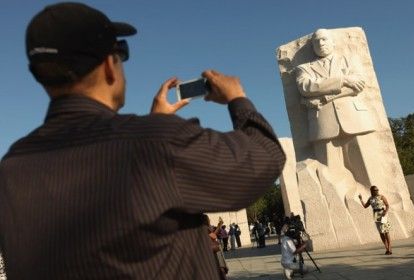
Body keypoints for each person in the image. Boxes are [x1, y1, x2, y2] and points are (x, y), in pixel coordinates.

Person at [0, 3, 285, 279]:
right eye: (121, 53)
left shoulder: (11, 166)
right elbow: (265, 157)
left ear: (40, 75)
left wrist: (156, 125)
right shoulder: (155, 143)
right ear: (109, 66)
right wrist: (238, 98)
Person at [295, 29, 376, 200]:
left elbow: (359, 85)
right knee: (331, 175)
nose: (321, 44)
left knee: (368, 171)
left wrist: (324, 97)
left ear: (333, 42)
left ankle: (378, 206)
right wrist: (344, 80)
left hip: (354, 119)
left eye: (324, 39)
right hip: (323, 125)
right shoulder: (304, 68)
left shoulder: (348, 59)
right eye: (317, 42)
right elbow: (306, 88)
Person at [358, 186, 393, 255]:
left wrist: (385, 212)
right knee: (381, 232)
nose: (377, 191)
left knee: (386, 231)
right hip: (376, 215)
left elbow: (387, 205)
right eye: (375, 190)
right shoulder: (370, 198)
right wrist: (361, 199)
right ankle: (386, 248)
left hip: (383, 214)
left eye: (377, 190)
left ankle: (389, 248)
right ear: (371, 191)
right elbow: (365, 206)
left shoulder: (381, 197)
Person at [202, 215, 228, 279]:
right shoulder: (204, 228)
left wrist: (219, 225)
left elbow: (213, 235)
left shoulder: (207, 228)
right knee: (218, 268)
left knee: (219, 267)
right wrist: (219, 225)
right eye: (208, 219)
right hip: (211, 251)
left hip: (213, 250)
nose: (210, 220)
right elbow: (213, 236)